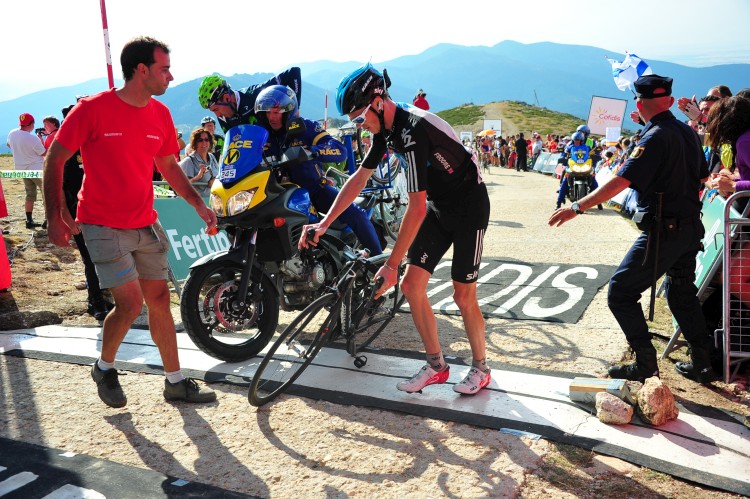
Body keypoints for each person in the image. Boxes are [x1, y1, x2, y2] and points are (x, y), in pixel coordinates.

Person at [43, 36, 218, 407]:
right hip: (101, 223)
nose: (171, 77)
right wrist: (54, 214)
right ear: (142, 70)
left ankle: (175, 382)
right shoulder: (92, 109)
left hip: (144, 222)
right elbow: (55, 158)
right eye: (164, 69)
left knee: (159, 299)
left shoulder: (160, 114)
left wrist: (197, 205)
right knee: (130, 304)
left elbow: (167, 165)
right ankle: (105, 367)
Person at [301, 63, 491, 395]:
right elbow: (358, 179)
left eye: (360, 118)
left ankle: (481, 368)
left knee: (463, 295)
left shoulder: (412, 129)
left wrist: (391, 264)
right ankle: (437, 366)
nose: (360, 126)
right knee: (412, 285)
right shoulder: (386, 129)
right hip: (440, 205)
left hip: (469, 206)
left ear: (377, 102)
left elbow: (415, 209)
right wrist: (324, 222)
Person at [548, 74, 716, 384]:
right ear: (669, 101)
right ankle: (703, 362)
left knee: (621, 292)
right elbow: (704, 178)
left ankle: (645, 363)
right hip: (690, 227)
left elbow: (621, 181)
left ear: (638, 105)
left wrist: (576, 207)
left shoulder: (654, 137)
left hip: (664, 231)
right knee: (681, 291)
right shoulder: (688, 132)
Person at [253, 85, 382, 256]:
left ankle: (380, 260)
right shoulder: (261, 135)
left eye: (276, 112)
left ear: (288, 111)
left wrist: (311, 151)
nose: (271, 117)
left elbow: (340, 150)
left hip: (314, 190)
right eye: (267, 112)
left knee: (356, 215)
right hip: (274, 195)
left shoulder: (306, 127)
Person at [59, 100, 113, 320]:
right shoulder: (64, 152)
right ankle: (96, 302)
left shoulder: (96, 144)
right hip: (78, 215)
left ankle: (104, 297)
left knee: (105, 257)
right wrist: (66, 218)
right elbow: (59, 189)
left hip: (102, 212)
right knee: (90, 259)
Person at [198, 69, 302, 133]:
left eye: (216, 109)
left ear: (227, 98)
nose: (217, 115)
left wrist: (295, 109)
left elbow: (293, 73)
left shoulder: (255, 93)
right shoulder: (223, 117)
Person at [6, 113, 46, 229]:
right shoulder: (33, 138)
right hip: (37, 170)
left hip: (21, 169)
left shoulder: (12, 133)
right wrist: (40, 140)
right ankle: (47, 220)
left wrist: (21, 152)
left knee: (29, 194)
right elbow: (44, 153)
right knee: (46, 195)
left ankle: (29, 220)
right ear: (32, 123)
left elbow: (9, 145)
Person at [179, 127, 219, 198]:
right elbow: (180, 187)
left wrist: (214, 180)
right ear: (195, 143)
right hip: (196, 201)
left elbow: (218, 175)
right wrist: (197, 178)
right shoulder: (189, 161)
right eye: (200, 140)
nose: (204, 143)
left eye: (207, 140)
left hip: (212, 200)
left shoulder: (212, 157)